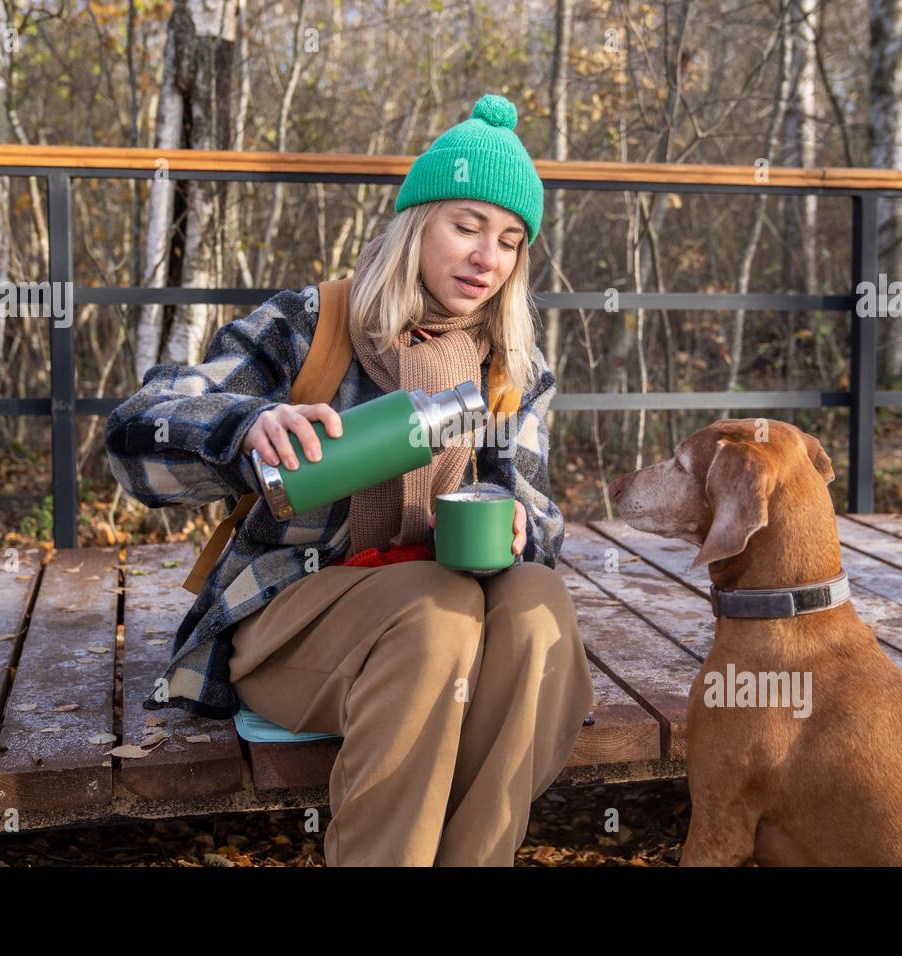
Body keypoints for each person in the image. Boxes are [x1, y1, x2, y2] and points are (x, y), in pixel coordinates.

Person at [105, 93, 594, 866]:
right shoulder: (311, 322)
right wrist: (243, 429)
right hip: (297, 614)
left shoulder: (512, 366)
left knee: (538, 606)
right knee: (436, 616)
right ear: (415, 224)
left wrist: (519, 519)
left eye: (508, 240)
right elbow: (137, 434)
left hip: (452, 604)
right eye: (465, 225)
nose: (485, 257)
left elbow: (534, 500)